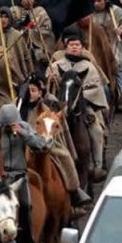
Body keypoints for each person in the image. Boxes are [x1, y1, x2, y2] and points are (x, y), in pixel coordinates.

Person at [0, 104, 51, 243]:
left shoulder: (24, 127)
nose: (10, 127)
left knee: (26, 206)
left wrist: (23, 133)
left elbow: (41, 145)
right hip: (2, 177)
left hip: (20, 176)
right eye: (8, 124)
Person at [19, 73, 92, 212]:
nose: (30, 94)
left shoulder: (46, 109)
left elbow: (53, 126)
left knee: (64, 157)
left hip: (45, 143)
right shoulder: (18, 106)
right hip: (22, 143)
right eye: (27, 91)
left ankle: (74, 190)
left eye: (33, 91)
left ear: (40, 93)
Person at [47, 29, 109, 183]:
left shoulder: (89, 66)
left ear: (82, 48)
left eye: (77, 45)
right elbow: (48, 88)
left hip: (84, 105)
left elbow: (96, 88)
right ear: (65, 47)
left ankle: (97, 165)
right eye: (71, 45)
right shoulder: (56, 65)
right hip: (60, 105)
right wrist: (51, 81)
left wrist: (80, 97)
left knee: (97, 130)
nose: (74, 47)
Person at [92, 0, 122, 94]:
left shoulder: (116, 11)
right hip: (96, 48)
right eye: (94, 1)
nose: (96, 4)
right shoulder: (88, 14)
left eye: (99, 1)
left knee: (120, 75)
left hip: (115, 46)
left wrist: (121, 30)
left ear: (105, 0)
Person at [11, 0, 54, 73]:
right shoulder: (14, 10)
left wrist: (31, 31)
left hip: (37, 45)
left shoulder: (40, 11)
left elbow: (47, 28)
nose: (27, 0)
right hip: (18, 44)